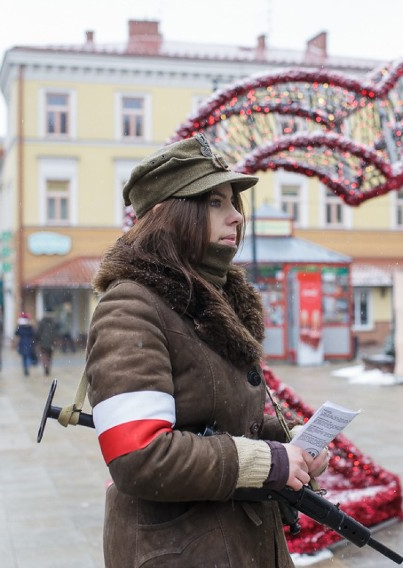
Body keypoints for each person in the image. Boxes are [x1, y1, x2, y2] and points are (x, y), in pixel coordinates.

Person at [84, 134, 329, 567]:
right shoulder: (130, 307)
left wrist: (287, 439)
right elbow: (140, 456)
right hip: (182, 552)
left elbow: (212, 418)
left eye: (233, 202)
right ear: (169, 213)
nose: (236, 215)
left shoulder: (212, 299)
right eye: (215, 202)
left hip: (233, 542)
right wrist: (267, 461)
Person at [35, 311, 59, 375]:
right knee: (49, 357)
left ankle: (46, 366)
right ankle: (48, 366)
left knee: (44, 356)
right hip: (51, 343)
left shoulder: (42, 322)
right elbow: (56, 333)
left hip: (43, 343)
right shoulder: (53, 323)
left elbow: (38, 333)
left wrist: (36, 340)